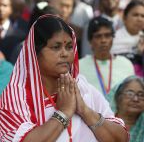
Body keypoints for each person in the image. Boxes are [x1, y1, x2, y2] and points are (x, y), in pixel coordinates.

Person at [0, 14, 128, 142]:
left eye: (69, 47)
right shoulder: (16, 98)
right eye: (56, 47)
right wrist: (64, 112)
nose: (65, 53)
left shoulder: (82, 88)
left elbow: (121, 138)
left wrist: (86, 111)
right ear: (35, 53)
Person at [79, 16, 135, 95]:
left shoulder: (126, 64)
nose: (103, 40)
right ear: (90, 41)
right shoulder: (79, 66)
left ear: (113, 38)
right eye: (98, 36)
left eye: (107, 35)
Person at [111, 0, 144, 77]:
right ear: (124, 18)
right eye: (135, 15)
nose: (140, 19)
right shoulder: (113, 39)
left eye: (143, 16)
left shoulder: (142, 39)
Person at [106, 76, 144, 142]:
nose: (136, 99)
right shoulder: (103, 122)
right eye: (130, 94)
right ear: (118, 97)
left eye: (141, 95)